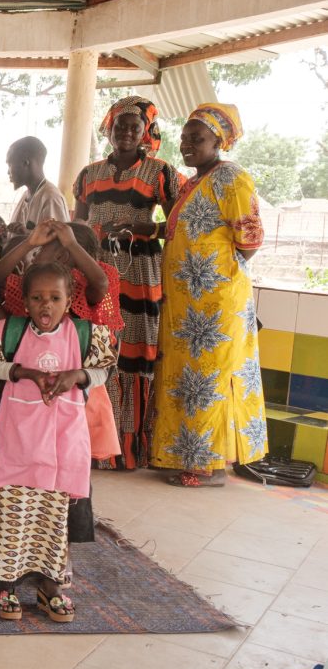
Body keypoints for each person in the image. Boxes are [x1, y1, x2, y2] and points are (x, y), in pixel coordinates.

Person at [0, 263, 116, 623]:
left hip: (62, 448)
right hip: (17, 446)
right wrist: (21, 371)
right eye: (37, 298)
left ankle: (50, 586)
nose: (45, 306)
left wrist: (78, 375)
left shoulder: (84, 335)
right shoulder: (10, 332)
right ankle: (5, 584)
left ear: (69, 301)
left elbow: (102, 372)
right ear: (25, 301)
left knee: (53, 521)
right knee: (12, 516)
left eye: (55, 298)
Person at [151, 103, 268, 487]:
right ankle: (185, 455)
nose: (187, 145)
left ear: (219, 140)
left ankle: (210, 465)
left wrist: (215, 279)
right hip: (186, 306)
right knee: (189, 380)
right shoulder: (193, 181)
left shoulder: (232, 179)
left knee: (210, 382)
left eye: (196, 138)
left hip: (216, 305)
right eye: (184, 138)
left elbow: (249, 240)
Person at [74, 96, 181, 469]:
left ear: (146, 132)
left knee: (133, 354)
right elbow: (77, 226)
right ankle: (94, 445)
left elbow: (178, 224)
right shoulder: (88, 174)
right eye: (120, 125)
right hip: (98, 268)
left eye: (134, 127)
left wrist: (143, 228)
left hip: (139, 271)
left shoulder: (161, 171)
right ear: (109, 128)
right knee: (99, 349)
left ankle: (129, 450)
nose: (126, 132)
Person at [6, 137, 70, 230]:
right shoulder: (26, 195)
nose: (8, 172)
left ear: (25, 163)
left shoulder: (51, 197)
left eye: (10, 165)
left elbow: (57, 241)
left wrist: (27, 234)